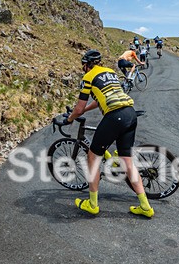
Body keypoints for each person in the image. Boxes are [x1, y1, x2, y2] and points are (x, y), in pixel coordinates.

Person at [53, 49, 155, 218]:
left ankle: (92, 204)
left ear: (86, 65)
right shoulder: (110, 72)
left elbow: (77, 109)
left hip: (115, 116)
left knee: (92, 158)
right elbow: (102, 97)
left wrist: (69, 119)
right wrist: (84, 110)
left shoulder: (88, 77)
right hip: (130, 112)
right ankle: (145, 207)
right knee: (128, 163)